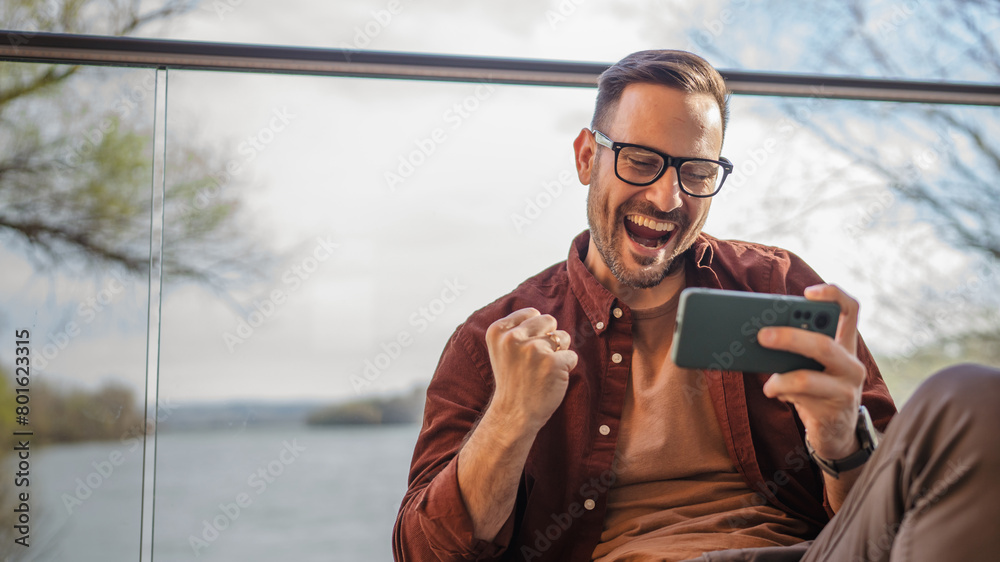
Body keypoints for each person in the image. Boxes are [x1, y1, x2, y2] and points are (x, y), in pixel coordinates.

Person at [391, 50, 1000, 562]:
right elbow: (424, 552)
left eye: (697, 171)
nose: (667, 196)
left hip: (811, 554)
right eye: (640, 160)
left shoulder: (777, 284)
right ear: (586, 157)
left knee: (973, 396)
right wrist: (510, 420)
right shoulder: (493, 339)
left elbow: (899, 515)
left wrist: (841, 439)